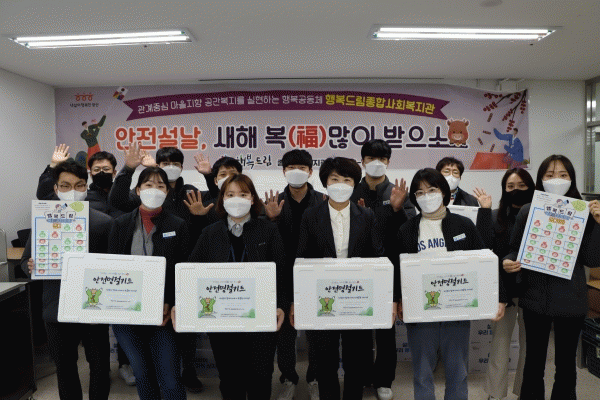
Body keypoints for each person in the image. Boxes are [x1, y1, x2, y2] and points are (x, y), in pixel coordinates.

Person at [390, 168, 506, 400]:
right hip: (421, 311)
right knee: (422, 371)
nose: (427, 196)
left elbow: (485, 260)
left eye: (432, 190)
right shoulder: (407, 229)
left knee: (457, 369)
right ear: (414, 198)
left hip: (457, 308)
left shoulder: (463, 225)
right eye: (420, 192)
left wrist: (499, 297)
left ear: (444, 192)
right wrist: (397, 300)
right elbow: (397, 268)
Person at [503, 155, 600, 400]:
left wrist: (599, 224)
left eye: (563, 175)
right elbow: (515, 249)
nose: (556, 179)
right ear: (541, 179)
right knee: (533, 362)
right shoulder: (529, 210)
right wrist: (508, 261)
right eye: (550, 175)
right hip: (535, 298)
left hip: (571, 299)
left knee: (566, 365)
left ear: (572, 179)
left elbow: (592, 259)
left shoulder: (583, 212)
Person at [187, 173, 287, 400]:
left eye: (243, 194)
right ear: (222, 199)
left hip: (260, 317)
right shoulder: (210, 233)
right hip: (222, 320)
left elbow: (280, 272)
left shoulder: (268, 230)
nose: (237, 199)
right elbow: (192, 272)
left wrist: (281, 305)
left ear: (252, 199)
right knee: (229, 378)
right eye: (230, 195)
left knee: (260, 376)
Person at [20, 160, 113, 400]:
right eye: (65, 185)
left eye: (79, 185)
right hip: (56, 306)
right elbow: (25, 260)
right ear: (56, 188)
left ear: (86, 187)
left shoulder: (103, 222)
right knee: (65, 367)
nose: (72, 191)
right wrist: (30, 266)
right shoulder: (43, 220)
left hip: (94, 305)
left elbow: (115, 265)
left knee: (100, 365)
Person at [294, 157, 385, 400]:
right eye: (335, 179)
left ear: (355, 184)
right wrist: (297, 300)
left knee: (357, 361)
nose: (341, 184)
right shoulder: (311, 216)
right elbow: (302, 257)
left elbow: (377, 256)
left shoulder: (366, 215)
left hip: (357, 299)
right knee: (325, 362)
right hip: (322, 300)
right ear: (325, 182)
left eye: (347, 180)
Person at [108, 166, 190, 400]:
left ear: (167, 192)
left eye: (160, 186)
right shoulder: (121, 224)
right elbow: (110, 268)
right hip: (127, 313)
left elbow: (183, 270)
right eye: (148, 185)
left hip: (163, 314)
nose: (154, 190)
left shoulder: (178, 225)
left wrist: (171, 302)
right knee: (142, 375)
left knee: (170, 378)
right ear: (138, 190)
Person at [349, 139, 415, 400]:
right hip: (358, 269)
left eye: (382, 159)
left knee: (386, 330)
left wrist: (398, 210)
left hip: (390, 269)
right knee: (361, 329)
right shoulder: (351, 190)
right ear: (362, 161)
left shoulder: (397, 192)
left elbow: (410, 231)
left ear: (388, 162)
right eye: (371, 158)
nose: (376, 163)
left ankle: (384, 380)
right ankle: (364, 375)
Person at [263, 149, 324, 400]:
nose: (296, 171)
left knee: (317, 331)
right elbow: (266, 241)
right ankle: (288, 377)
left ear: (310, 171)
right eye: (291, 167)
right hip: (282, 274)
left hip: (314, 274)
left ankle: (315, 378)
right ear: (283, 171)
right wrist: (272, 220)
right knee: (284, 332)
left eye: (301, 167)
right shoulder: (273, 202)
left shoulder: (323, 200)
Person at [481, 168, 534, 400]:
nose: (516, 190)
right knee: (500, 344)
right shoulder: (495, 217)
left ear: (531, 187)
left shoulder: (540, 217)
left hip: (534, 290)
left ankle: (525, 390)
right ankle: (495, 393)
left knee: (530, 345)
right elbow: (486, 253)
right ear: (504, 189)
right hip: (503, 291)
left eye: (522, 186)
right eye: (510, 186)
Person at [36, 144, 123, 217]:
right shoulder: (82, 196)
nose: (101, 172)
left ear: (114, 172)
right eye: (96, 169)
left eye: (106, 169)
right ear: (90, 174)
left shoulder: (124, 195)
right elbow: (45, 195)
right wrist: (53, 165)